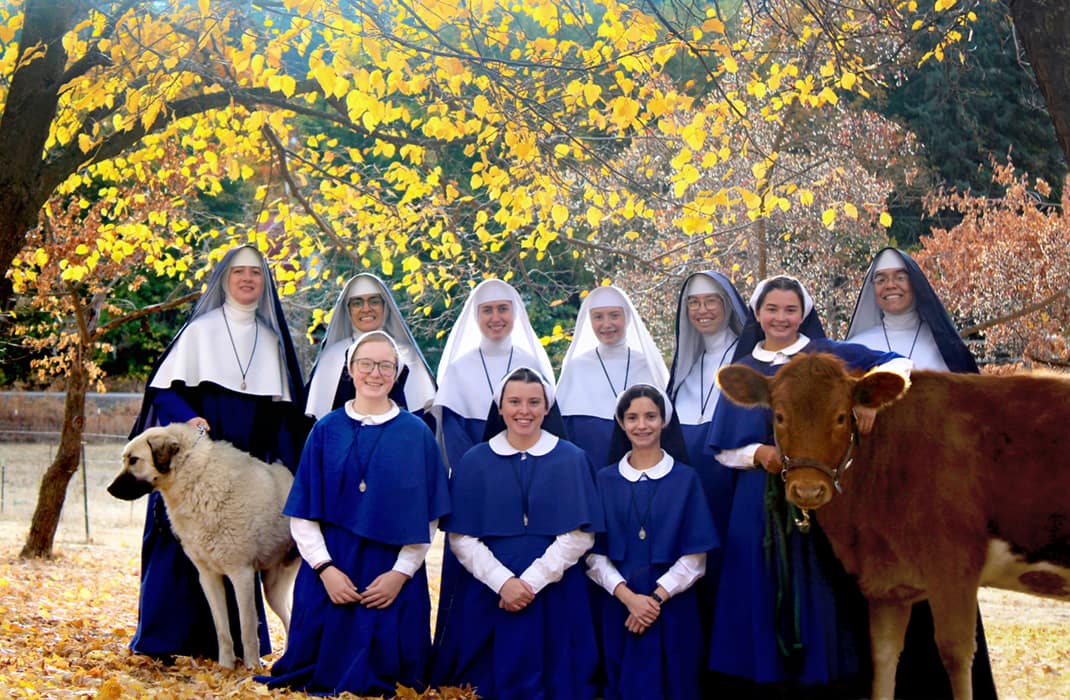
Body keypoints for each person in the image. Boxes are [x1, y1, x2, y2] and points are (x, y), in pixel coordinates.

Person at [706, 275, 911, 696]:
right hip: (755, 501)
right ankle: (761, 674)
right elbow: (722, 451)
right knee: (757, 582)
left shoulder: (827, 355)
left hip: (818, 497)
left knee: (817, 581)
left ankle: (820, 674)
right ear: (758, 314)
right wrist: (759, 455)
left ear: (804, 314)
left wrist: (865, 401)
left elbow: (898, 362)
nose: (781, 318)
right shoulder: (745, 370)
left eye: (790, 310)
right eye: (772, 309)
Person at [128, 244, 306, 662]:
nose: (247, 279)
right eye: (239, 272)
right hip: (196, 461)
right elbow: (164, 390)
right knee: (185, 542)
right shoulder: (201, 330)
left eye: (256, 274)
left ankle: (241, 648)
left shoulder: (271, 340)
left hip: (243, 469)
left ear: (265, 284)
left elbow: (282, 415)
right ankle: (166, 640)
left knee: (240, 550)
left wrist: (288, 469)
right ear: (224, 279)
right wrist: (188, 420)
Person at [261, 330, 450, 695]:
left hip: (392, 570)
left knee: (393, 676)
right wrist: (325, 569)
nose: (375, 373)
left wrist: (400, 573)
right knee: (317, 672)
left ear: (396, 374)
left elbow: (429, 517)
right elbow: (303, 514)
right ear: (350, 369)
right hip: (334, 566)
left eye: (385, 365)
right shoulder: (325, 430)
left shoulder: (417, 434)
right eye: (366, 363)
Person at [847, 248, 998, 700]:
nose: (890, 285)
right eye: (880, 279)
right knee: (885, 599)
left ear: (916, 283)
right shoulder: (859, 345)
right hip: (881, 499)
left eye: (899, 277)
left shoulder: (944, 345)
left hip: (941, 497)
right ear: (871, 290)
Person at [433, 367, 604, 700]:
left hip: (555, 593)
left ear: (546, 408)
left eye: (533, 402)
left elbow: (580, 535)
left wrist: (530, 583)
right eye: (514, 401)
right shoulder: (474, 461)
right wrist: (503, 582)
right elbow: (461, 537)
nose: (523, 411)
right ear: (500, 408)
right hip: (490, 594)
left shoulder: (572, 459)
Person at [586, 384, 718, 700]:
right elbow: (593, 555)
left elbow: (696, 557)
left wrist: (655, 600)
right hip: (620, 607)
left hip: (673, 609)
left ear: (664, 421)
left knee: (678, 683)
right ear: (621, 423)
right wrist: (631, 599)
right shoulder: (605, 479)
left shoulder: (686, 479)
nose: (641, 425)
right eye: (632, 417)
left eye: (650, 416)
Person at [664, 271, 751, 668]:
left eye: (711, 301)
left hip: (737, 498)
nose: (702, 310)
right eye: (693, 303)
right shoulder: (685, 367)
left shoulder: (750, 361)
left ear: (729, 305)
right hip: (693, 499)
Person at [432, 278, 556, 471]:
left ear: (514, 313)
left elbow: (546, 424)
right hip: (478, 471)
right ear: (476, 316)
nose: (496, 318)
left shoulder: (531, 364)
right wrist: (478, 469)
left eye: (503, 309)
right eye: (487, 310)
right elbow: (454, 437)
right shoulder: (459, 369)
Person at [556, 285, 669, 469]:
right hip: (589, 470)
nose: (606, 324)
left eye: (614, 315)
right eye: (598, 317)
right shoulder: (577, 367)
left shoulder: (646, 365)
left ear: (627, 318)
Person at [304, 273, 436, 422]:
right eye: (357, 303)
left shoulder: (407, 355)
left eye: (374, 301)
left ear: (385, 307)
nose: (366, 309)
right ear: (348, 310)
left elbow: (421, 415)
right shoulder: (332, 356)